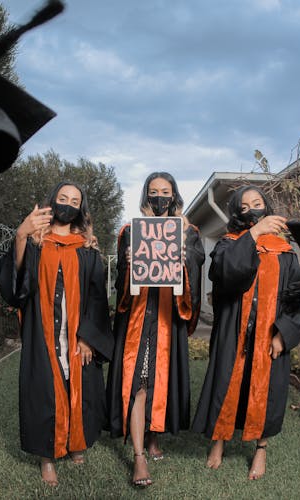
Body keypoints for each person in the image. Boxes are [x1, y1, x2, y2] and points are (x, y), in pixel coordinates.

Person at [0, 181, 113, 487]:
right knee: (44, 390)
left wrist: (88, 336)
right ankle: (47, 457)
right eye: (63, 198)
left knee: (77, 384)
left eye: (74, 200)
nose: (68, 203)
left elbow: (98, 295)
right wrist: (21, 234)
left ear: (81, 208)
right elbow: (17, 286)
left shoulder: (86, 247)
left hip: (76, 333)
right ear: (52, 202)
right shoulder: (37, 242)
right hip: (43, 333)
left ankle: (76, 440)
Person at [192, 185, 300, 480]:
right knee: (225, 388)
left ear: (267, 208)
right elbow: (225, 274)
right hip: (234, 333)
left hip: (269, 337)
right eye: (246, 206)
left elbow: (297, 298)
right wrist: (254, 235)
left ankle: (261, 448)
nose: (253, 209)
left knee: (265, 395)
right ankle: (219, 441)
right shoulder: (228, 245)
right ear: (238, 214)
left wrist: (283, 334)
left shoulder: (286, 253)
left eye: (258, 203)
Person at [107, 172, 205, 487]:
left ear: (174, 197)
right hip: (137, 319)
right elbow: (120, 284)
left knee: (159, 384)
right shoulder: (130, 232)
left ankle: (153, 438)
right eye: (153, 191)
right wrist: (127, 262)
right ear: (145, 196)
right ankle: (139, 456)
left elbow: (194, 268)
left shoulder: (188, 231)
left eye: (165, 191)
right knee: (138, 383)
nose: (159, 197)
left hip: (166, 319)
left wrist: (185, 248)